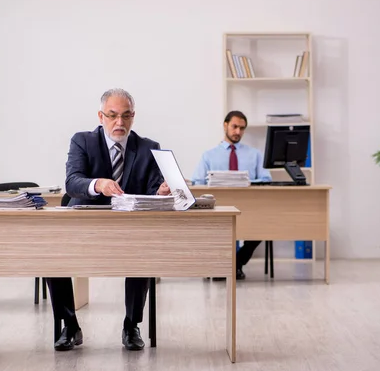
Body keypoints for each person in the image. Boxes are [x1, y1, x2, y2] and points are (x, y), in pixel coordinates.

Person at [46, 88, 171, 352]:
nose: (119, 123)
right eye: (113, 116)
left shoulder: (149, 148)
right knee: (52, 254)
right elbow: (72, 182)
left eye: (126, 116)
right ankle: (69, 325)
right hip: (85, 224)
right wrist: (98, 184)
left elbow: (152, 192)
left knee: (143, 253)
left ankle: (131, 326)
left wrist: (160, 191)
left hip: (128, 229)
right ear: (101, 116)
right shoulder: (83, 141)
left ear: (133, 117)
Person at [191, 110, 271, 280]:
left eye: (242, 128)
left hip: (248, 208)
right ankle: (229, 266)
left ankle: (234, 264)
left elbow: (266, 179)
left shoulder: (254, 154)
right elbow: (197, 182)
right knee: (218, 227)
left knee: (264, 225)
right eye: (234, 127)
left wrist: (247, 182)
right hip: (219, 208)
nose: (237, 132)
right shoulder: (209, 155)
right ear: (225, 125)